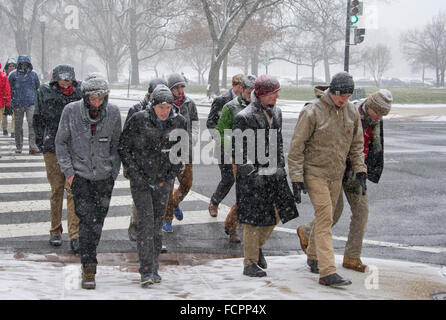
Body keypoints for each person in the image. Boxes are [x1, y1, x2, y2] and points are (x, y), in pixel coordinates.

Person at [296, 89, 393, 273]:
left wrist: (365, 171)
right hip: (337, 169)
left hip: (357, 171)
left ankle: (352, 256)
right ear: (369, 106)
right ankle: (309, 236)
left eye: (383, 115)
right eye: (377, 112)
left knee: (362, 212)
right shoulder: (350, 113)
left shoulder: (375, 121)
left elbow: (371, 146)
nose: (379, 117)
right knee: (333, 212)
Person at [288, 72, 367, 287]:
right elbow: (296, 147)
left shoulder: (351, 111)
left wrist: (360, 170)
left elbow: (356, 145)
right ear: (332, 91)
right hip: (315, 173)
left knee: (328, 217)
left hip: (336, 174)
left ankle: (314, 256)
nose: (344, 100)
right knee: (324, 218)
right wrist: (296, 178)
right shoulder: (312, 111)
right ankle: (327, 271)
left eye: (348, 96)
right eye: (341, 95)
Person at [55, 73, 122, 290]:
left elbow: (117, 146)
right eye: (93, 98)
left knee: (98, 222)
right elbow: (61, 143)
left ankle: (89, 255)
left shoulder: (112, 113)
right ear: (85, 97)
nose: (96, 102)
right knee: (86, 222)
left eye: (100, 98)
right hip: (80, 177)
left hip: (104, 177)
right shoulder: (71, 111)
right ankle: (89, 267)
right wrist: (70, 173)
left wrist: (113, 173)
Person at [118, 85, 187, 287]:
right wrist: (134, 173)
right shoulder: (139, 119)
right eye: (161, 107)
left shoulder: (179, 121)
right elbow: (124, 147)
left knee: (157, 225)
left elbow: (181, 151)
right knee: (146, 224)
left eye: (168, 107)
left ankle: (154, 267)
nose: (164, 112)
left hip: (163, 181)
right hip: (141, 180)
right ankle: (146, 270)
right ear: (153, 105)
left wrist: (169, 176)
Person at [233, 75, 298, 278]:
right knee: (253, 219)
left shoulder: (276, 112)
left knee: (279, 211)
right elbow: (238, 150)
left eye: (278, 92)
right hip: (252, 176)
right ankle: (249, 262)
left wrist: (281, 168)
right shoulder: (244, 117)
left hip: (274, 172)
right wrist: (252, 173)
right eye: (273, 93)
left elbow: (277, 143)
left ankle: (256, 247)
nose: (277, 96)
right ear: (261, 95)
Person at [33, 65, 83, 252]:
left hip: (73, 148)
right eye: (62, 80)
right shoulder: (44, 93)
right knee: (56, 190)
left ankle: (74, 234)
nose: (65, 84)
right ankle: (55, 230)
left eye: (68, 80)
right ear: (56, 80)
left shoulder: (79, 93)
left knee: (73, 190)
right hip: (52, 146)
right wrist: (42, 141)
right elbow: (38, 118)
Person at [125, 77, 168, 242]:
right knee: (140, 201)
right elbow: (126, 140)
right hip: (139, 162)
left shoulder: (168, 111)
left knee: (158, 201)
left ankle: (155, 234)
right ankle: (136, 227)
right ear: (150, 94)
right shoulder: (136, 111)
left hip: (160, 164)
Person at [215, 75, 256, 243]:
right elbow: (221, 131)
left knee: (255, 192)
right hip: (237, 154)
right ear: (241, 90)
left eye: (254, 92)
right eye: (248, 92)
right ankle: (232, 226)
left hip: (256, 153)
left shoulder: (260, 107)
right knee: (245, 192)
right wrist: (231, 150)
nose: (251, 95)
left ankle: (246, 223)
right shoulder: (230, 107)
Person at [162, 73, 198, 233]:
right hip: (168, 153)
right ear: (170, 89)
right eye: (177, 87)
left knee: (187, 183)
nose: (180, 90)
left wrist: (192, 139)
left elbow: (195, 123)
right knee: (168, 187)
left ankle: (175, 202)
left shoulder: (190, 103)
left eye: (182, 86)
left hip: (186, 151)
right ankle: (167, 219)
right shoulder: (164, 103)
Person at [207, 74, 244, 218]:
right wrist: (221, 138)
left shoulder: (246, 101)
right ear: (235, 85)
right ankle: (214, 202)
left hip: (241, 147)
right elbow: (211, 123)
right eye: (240, 86)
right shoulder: (221, 100)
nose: (243, 89)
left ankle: (241, 211)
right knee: (228, 178)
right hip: (224, 146)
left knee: (244, 180)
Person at [8, 55, 40, 154]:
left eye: (25, 64)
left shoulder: (33, 74)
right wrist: (10, 103)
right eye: (22, 64)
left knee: (32, 124)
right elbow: (9, 89)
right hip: (17, 103)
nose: (23, 66)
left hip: (31, 103)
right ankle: (19, 146)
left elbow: (37, 87)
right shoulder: (13, 75)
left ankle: (33, 146)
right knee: (18, 126)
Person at [2, 58, 15, 137]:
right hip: (4, 97)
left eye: (13, 66)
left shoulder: (16, 75)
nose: (11, 67)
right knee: (4, 115)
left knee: (14, 115)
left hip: (13, 97)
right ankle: (4, 129)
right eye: (10, 66)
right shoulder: (4, 75)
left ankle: (13, 131)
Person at [0, 61, 11, 148]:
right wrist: (7, 103)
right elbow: (6, 91)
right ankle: (4, 129)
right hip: (1, 103)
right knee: (2, 118)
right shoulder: (3, 76)